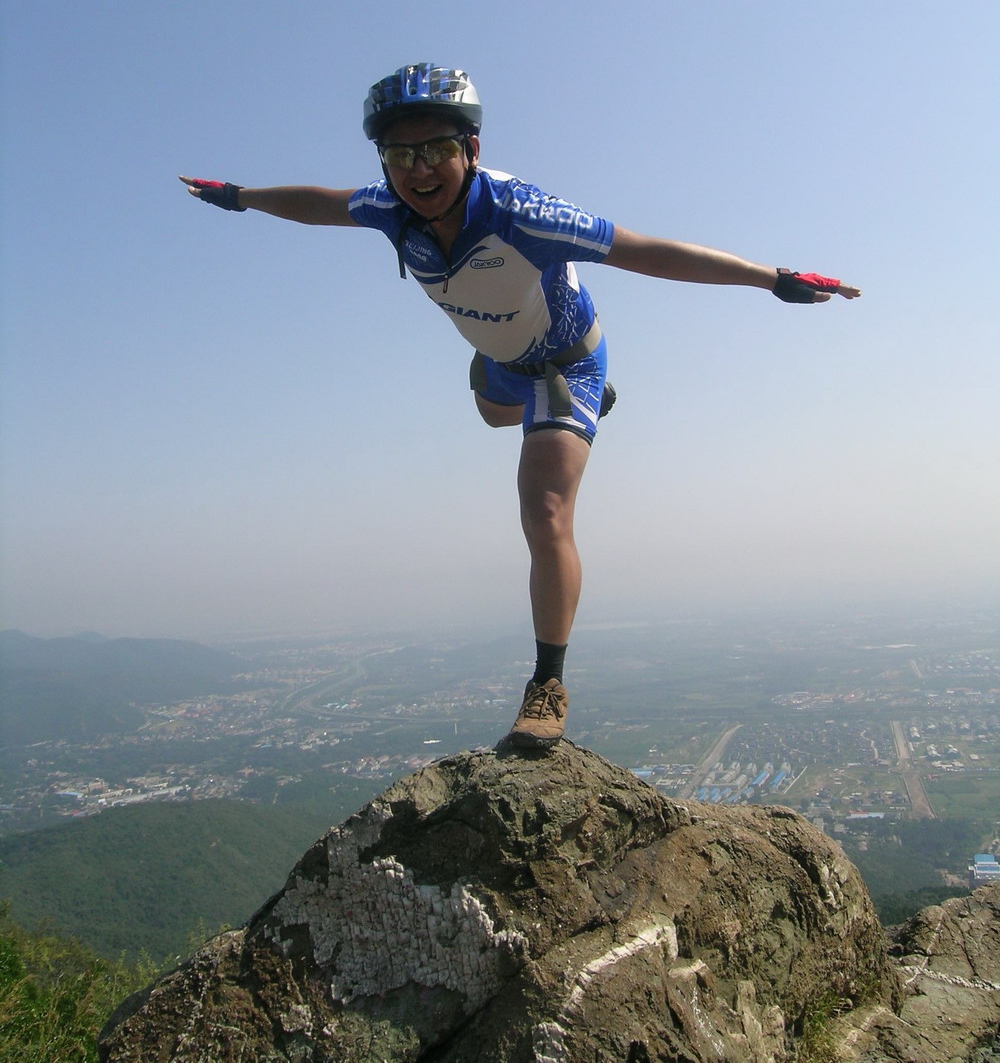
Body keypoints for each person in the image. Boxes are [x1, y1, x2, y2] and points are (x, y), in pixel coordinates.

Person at [181, 62, 860, 750]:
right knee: (488, 410)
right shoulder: (391, 210)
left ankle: (548, 685)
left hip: (567, 364)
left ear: (471, 151)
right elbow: (319, 203)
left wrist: (771, 279)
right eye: (400, 155)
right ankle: (545, 404)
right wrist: (238, 196)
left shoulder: (523, 215)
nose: (419, 170)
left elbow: (647, 251)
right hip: (500, 367)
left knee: (543, 508)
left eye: (438, 150)